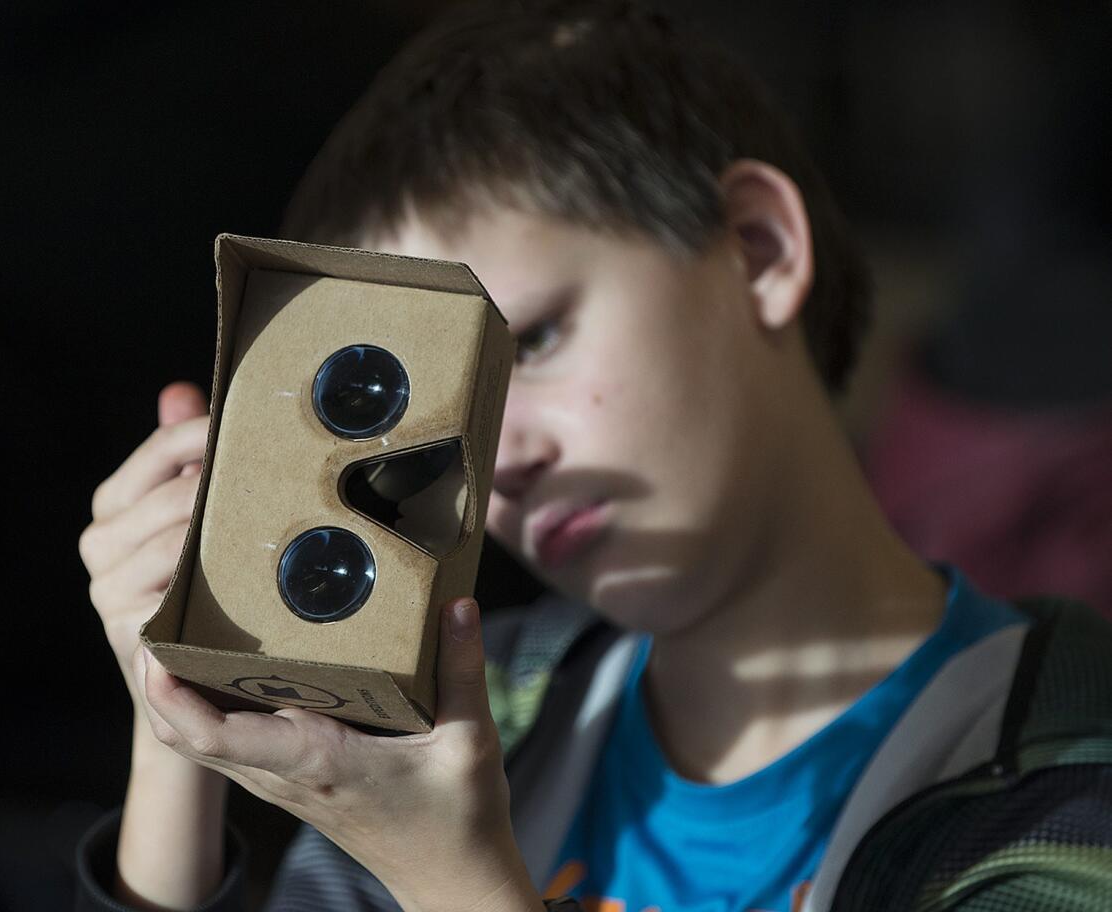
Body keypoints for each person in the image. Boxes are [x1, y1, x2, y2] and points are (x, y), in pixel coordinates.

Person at [74, 2, 1112, 910]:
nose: (496, 459)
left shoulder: (1057, 770)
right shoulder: (500, 711)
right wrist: (180, 735)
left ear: (758, 249)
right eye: (440, 419)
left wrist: (448, 875)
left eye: (532, 344)